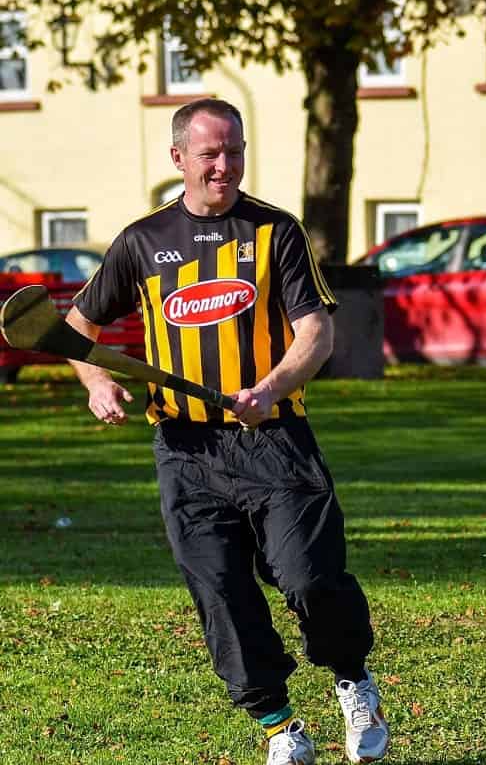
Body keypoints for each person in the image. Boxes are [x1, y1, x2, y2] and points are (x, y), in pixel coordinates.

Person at [65, 99, 388, 765]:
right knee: (218, 588)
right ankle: (281, 727)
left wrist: (269, 387)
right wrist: (97, 382)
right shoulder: (142, 242)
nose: (224, 164)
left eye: (234, 150)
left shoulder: (276, 232)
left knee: (308, 578)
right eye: (210, 153)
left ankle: (354, 679)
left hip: (274, 438)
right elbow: (75, 327)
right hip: (186, 451)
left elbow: (317, 332)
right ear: (179, 158)